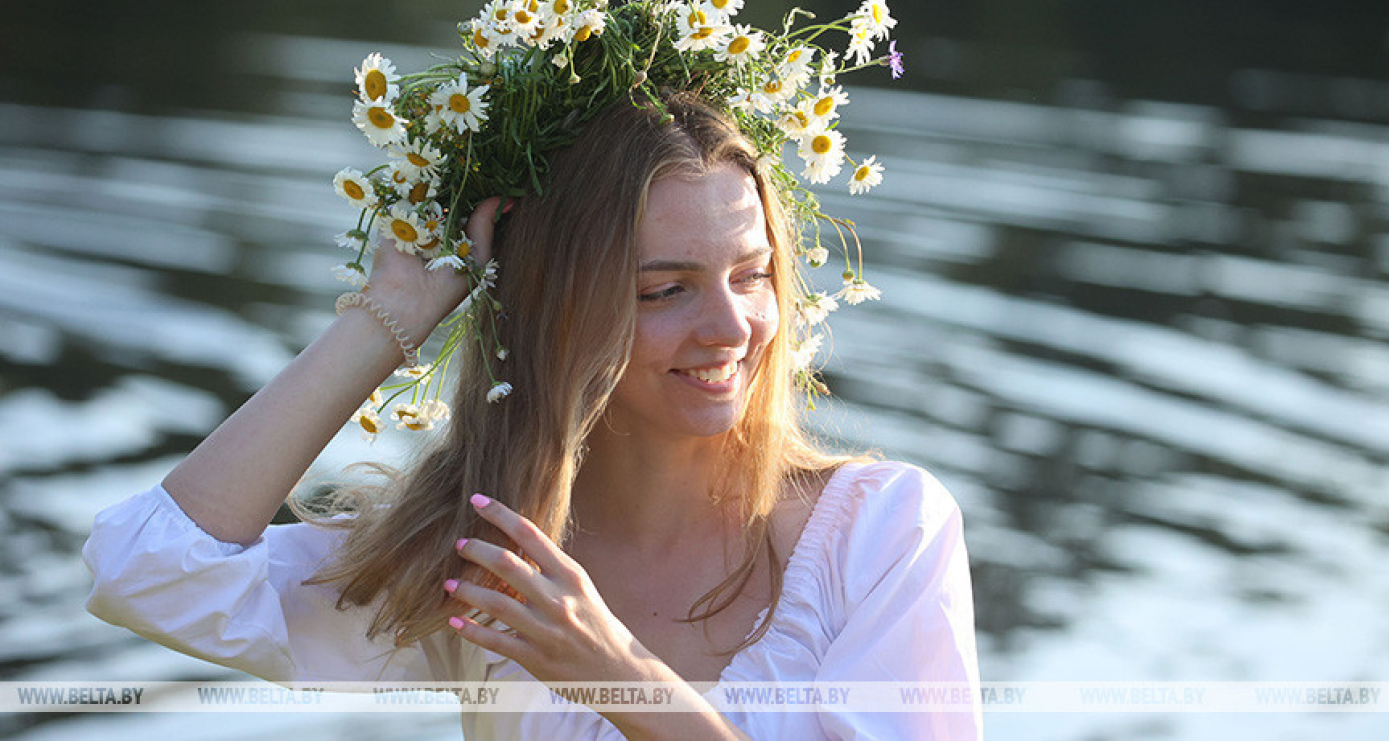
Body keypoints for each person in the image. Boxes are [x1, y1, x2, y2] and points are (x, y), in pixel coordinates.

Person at [83, 92, 981, 739]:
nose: (731, 327)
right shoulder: (487, 569)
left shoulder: (884, 532)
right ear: (561, 314)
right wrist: (389, 318)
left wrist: (624, 682)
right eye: (665, 289)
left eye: (752, 275)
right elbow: (153, 569)